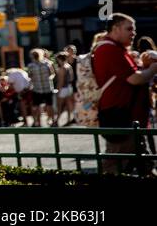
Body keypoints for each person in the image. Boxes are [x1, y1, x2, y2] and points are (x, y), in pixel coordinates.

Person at [91, 14, 157, 175]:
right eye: (129, 29)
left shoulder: (116, 48)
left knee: (144, 165)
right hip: (121, 116)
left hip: (129, 117)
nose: (133, 33)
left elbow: (133, 74)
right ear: (115, 28)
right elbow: (135, 78)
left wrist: (145, 66)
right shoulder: (109, 49)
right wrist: (154, 68)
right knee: (115, 166)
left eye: (134, 29)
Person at [26, 49, 56, 127]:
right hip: (48, 87)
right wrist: (48, 78)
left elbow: (30, 76)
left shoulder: (31, 66)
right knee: (49, 105)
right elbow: (52, 74)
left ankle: (38, 122)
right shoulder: (47, 63)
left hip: (37, 88)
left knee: (37, 106)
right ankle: (52, 121)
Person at [54, 50, 76, 125]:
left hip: (63, 88)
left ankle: (57, 121)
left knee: (59, 106)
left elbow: (61, 81)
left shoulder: (62, 68)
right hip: (69, 87)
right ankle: (69, 119)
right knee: (68, 105)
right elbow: (72, 78)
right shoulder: (69, 66)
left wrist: (58, 91)